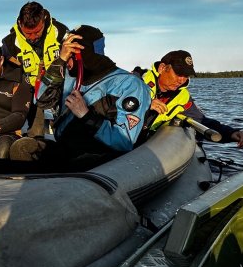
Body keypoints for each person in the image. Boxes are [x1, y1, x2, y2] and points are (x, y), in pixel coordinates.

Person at [11, 26, 150, 166]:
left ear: (84, 54)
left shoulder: (129, 84)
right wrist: (60, 60)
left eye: (70, 54)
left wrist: (86, 115)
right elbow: (41, 99)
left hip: (98, 159)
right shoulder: (70, 76)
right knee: (22, 148)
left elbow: (124, 141)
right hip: (66, 150)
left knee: (79, 162)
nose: (67, 61)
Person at [1, 1, 105, 136]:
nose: (32, 37)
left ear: (44, 19)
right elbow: (8, 70)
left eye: (37, 32)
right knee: (37, 134)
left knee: (63, 130)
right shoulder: (9, 43)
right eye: (28, 33)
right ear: (20, 24)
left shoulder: (61, 32)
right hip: (34, 96)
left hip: (62, 92)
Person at [135, 50, 243, 148]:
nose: (182, 80)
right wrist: (144, 103)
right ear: (162, 68)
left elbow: (202, 121)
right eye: (178, 74)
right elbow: (116, 104)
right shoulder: (134, 81)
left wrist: (233, 133)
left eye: (186, 75)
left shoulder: (182, 97)